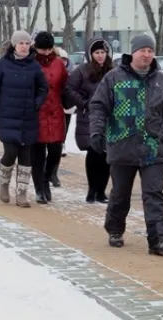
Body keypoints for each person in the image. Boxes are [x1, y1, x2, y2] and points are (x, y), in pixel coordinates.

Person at [89, 34, 163, 256]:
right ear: (133, 53)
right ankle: (115, 228)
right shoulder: (114, 78)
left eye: (150, 51)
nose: (147, 55)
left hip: (152, 147)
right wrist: (97, 131)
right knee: (120, 194)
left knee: (154, 194)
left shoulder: (162, 82)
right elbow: (99, 106)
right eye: (143, 51)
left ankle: (159, 238)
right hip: (122, 145)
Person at [0, 30, 49, 208]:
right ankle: (4, 184)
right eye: (21, 43)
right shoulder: (3, 64)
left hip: (28, 117)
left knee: (26, 156)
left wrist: (37, 102)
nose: (24, 46)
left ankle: (22, 193)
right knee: (10, 152)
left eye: (27, 43)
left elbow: (43, 88)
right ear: (14, 45)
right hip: (7, 115)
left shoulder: (34, 66)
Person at [66, 37, 114, 204]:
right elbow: (70, 89)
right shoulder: (82, 71)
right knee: (94, 153)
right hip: (90, 116)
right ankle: (92, 189)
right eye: (96, 52)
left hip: (110, 117)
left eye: (102, 52)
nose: (100, 56)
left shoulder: (113, 70)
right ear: (91, 54)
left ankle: (101, 191)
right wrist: (84, 102)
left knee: (107, 155)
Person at [30, 31, 69, 204]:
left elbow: (66, 85)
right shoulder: (29, 63)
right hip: (36, 112)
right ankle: (39, 187)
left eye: (48, 49)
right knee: (37, 153)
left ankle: (46, 179)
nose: (45, 52)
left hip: (55, 111)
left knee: (55, 151)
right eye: (41, 49)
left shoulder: (59, 63)